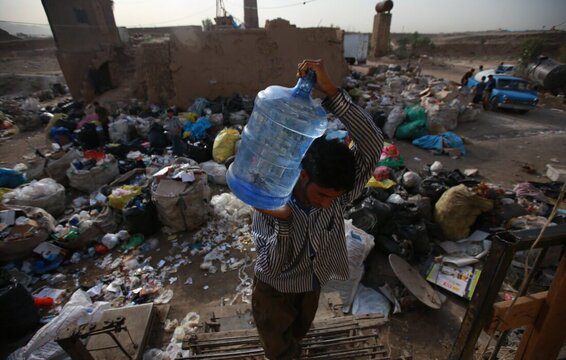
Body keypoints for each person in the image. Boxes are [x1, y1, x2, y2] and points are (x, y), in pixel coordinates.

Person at [251, 59, 383, 360]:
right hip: (275, 290)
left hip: (312, 283)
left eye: (333, 197)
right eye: (322, 195)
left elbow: (373, 142)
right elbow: (271, 267)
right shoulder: (270, 202)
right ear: (303, 175)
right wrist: (285, 223)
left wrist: (333, 93)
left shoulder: (337, 195)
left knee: (298, 334)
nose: (328, 202)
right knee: (277, 349)